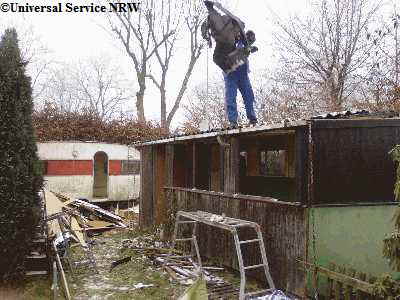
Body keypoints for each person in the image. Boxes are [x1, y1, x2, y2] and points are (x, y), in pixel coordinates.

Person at [201, 1, 258, 127]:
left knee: (248, 95)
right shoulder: (231, 39)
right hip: (230, 73)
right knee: (231, 96)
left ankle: (252, 118)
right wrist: (207, 35)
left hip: (242, 74)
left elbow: (245, 52)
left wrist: (250, 49)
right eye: (248, 37)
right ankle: (233, 121)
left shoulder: (244, 45)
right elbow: (223, 34)